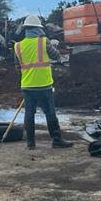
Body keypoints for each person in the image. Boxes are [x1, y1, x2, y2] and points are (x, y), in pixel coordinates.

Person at [13, 15, 72, 150]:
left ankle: (31, 143)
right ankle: (56, 140)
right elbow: (56, 56)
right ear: (39, 29)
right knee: (50, 113)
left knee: (29, 114)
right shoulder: (43, 42)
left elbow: (17, 68)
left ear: (26, 29)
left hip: (27, 85)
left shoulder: (18, 46)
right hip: (44, 85)